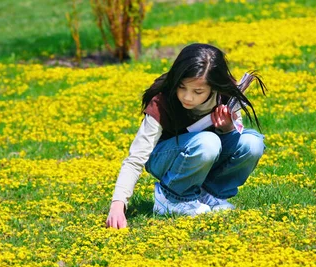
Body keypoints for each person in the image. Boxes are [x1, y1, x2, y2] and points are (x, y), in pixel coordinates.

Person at [106, 43, 266, 229]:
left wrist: (227, 128)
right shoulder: (162, 100)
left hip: (203, 151)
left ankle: (211, 195)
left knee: (253, 143)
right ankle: (171, 197)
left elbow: (234, 137)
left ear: (213, 87)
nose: (187, 97)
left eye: (198, 91)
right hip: (164, 158)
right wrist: (118, 204)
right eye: (182, 88)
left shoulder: (225, 90)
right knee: (208, 142)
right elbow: (136, 157)